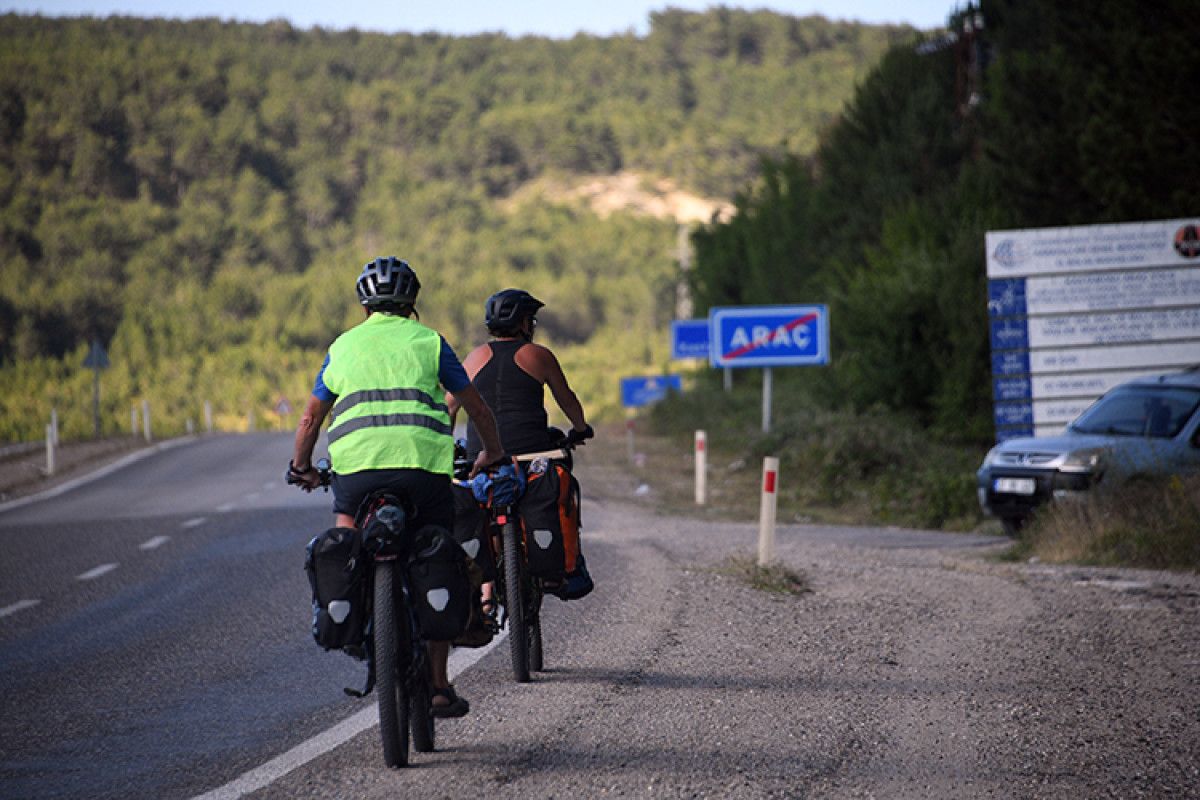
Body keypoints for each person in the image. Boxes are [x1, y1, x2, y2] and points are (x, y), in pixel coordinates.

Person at [289, 256, 504, 719]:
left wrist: (302, 466)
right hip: (424, 470)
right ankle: (440, 686)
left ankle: (356, 618)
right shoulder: (430, 342)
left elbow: (310, 417)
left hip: (356, 472)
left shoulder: (342, 347)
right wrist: (492, 452)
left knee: (347, 538)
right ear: (412, 304)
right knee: (436, 550)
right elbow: (476, 407)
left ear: (365, 305)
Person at [447, 288, 594, 615]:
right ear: (524, 323)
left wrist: (443, 446)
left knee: (482, 508)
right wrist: (581, 428)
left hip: (481, 457)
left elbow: (448, 408)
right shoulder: (538, 355)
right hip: (530, 455)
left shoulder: (472, 358)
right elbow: (565, 398)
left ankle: (486, 591)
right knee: (549, 492)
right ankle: (559, 569)